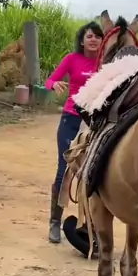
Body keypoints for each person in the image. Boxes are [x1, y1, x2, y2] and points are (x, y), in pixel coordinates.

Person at [45, 21, 104, 245]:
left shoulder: (106, 63)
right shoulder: (72, 59)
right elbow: (50, 80)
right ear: (82, 41)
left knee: (95, 173)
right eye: (89, 36)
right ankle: (55, 222)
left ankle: (92, 227)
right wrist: (54, 85)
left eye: (98, 36)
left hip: (96, 122)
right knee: (65, 170)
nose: (93, 39)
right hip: (71, 119)